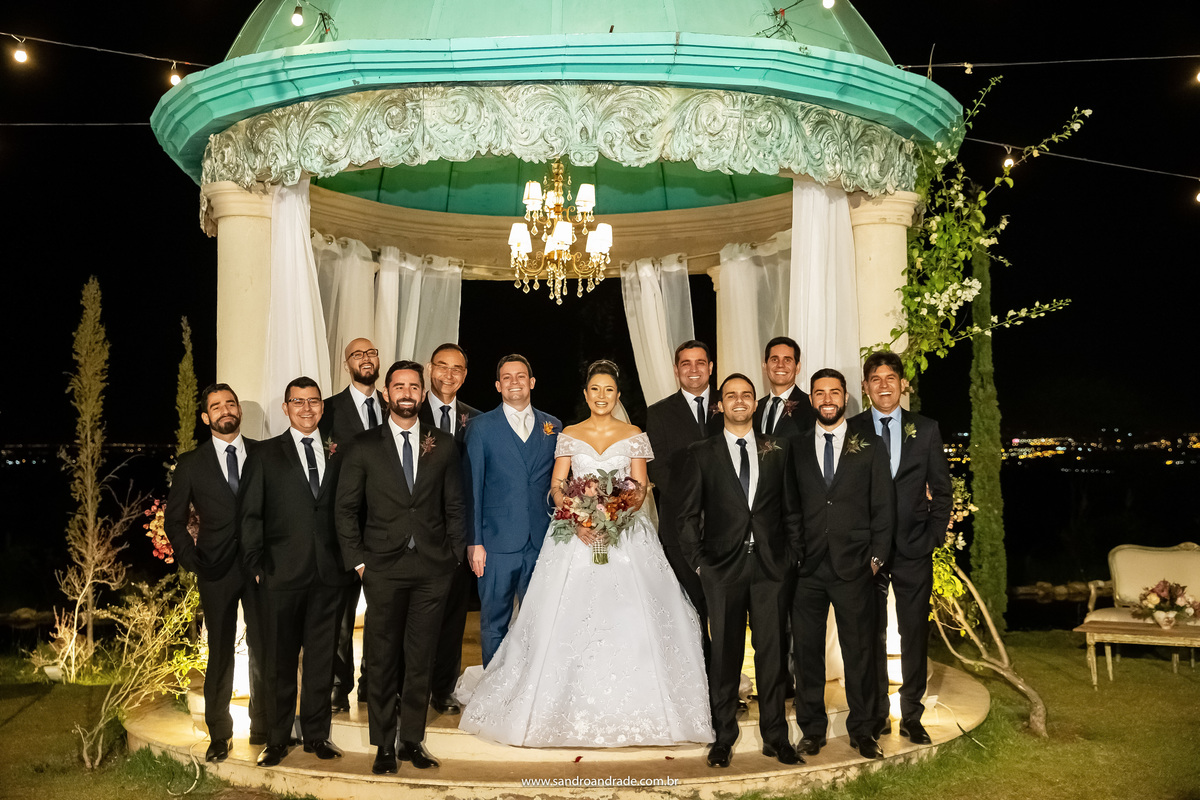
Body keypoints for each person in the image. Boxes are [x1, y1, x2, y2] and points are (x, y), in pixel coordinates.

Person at [459, 360, 712, 747]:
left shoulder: (633, 435)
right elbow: (558, 483)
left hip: (626, 537)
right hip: (575, 536)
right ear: (586, 393)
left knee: (632, 616)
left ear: (618, 395)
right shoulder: (569, 434)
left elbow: (641, 488)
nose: (601, 396)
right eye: (595, 389)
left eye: (608, 390)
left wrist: (614, 516)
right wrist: (576, 515)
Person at [334, 361, 466, 774]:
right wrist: (358, 562)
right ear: (387, 394)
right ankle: (383, 746)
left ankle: (411, 740)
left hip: (433, 569)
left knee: (420, 656)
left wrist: (454, 557)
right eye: (399, 386)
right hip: (382, 569)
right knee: (383, 656)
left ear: (422, 395)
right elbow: (346, 509)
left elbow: (455, 505)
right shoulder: (363, 445)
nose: (407, 393)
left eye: (414, 386)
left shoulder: (442, 443)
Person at [676, 373, 803, 768]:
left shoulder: (777, 449)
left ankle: (776, 738)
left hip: (771, 569)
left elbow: (792, 510)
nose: (739, 401)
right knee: (725, 657)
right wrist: (700, 563)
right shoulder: (701, 452)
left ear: (755, 403)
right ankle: (723, 738)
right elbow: (686, 516)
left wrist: (792, 558)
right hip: (722, 569)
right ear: (720, 405)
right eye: (730, 396)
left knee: (772, 655)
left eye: (746, 395)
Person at [241, 376, 354, 766]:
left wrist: (352, 560)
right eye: (298, 402)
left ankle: (317, 736)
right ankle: (276, 738)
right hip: (280, 575)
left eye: (314, 402)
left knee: (323, 660)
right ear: (286, 408)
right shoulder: (264, 454)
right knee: (279, 662)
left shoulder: (339, 451)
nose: (307, 408)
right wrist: (256, 566)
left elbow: (348, 509)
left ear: (322, 407)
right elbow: (251, 513)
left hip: (329, 574)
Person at [790, 368, 895, 760]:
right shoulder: (797, 447)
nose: (827, 399)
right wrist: (796, 553)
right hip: (808, 570)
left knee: (859, 652)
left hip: (855, 567)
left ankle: (863, 730)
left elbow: (884, 506)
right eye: (820, 393)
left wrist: (876, 557)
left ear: (846, 396)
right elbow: (790, 507)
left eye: (834, 392)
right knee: (807, 654)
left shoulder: (869, 445)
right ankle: (812, 730)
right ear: (813, 399)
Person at [852, 351, 952, 745]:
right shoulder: (853, 429)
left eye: (890, 378)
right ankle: (877, 713)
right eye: (875, 379)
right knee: (870, 634)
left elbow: (942, 490)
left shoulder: (925, 429)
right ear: (865, 388)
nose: (884, 385)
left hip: (914, 548)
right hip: (867, 551)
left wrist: (933, 536)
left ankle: (912, 714)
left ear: (902, 384)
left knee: (913, 634)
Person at [165, 383, 268, 763]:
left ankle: (264, 727)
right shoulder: (191, 463)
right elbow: (174, 520)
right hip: (215, 570)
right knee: (220, 653)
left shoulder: (263, 453)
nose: (225, 410)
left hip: (260, 570)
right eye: (216, 406)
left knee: (264, 650)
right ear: (206, 418)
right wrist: (193, 560)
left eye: (230, 403)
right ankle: (220, 734)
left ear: (239, 410)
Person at [463, 355, 561, 667]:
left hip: (542, 541)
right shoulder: (480, 428)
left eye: (521, 376)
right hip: (496, 543)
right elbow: (473, 487)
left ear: (532, 382)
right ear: (497, 385)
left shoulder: (554, 426)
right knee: (495, 621)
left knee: (539, 620)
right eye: (507, 377)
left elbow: (559, 482)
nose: (514, 382)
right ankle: (495, 686)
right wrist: (474, 542)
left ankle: (529, 688)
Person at [401, 342, 480, 716]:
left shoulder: (476, 419)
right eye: (442, 366)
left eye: (457, 369)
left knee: (453, 616)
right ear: (429, 369)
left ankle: (443, 688)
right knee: (412, 618)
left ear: (465, 375)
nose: (449, 374)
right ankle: (406, 688)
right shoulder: (409, 414)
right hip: (417, 535)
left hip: (459, 534)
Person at [318, 337, 385, 713]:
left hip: (384, 529)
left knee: (381, 614)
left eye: (371, 353)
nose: (365, 359)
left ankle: (370, 684)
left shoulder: (394, 407)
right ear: (347, 365)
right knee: (340, 617)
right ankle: (337, 687)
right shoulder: (326, 411)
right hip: (341, 531)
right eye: (357, 354)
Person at [645, 340, 722, 663]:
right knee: (689, 611)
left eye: (700, 362)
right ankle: (696, 679)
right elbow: (656, 467)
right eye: (686, 364)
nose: (694, 369)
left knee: (725, 612)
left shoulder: (730, 403)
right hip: (680, 528)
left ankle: (724, 684)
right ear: (676, 370)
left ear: (711, 368)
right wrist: (696, 503)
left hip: (726, 529)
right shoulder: (659, 412)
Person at [753, 336, 815, 437]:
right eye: (774, 359)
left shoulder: (810, 406)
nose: (780, 365)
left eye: (787, 360)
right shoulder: (755, 409)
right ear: (765, 366)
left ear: (797, 368)